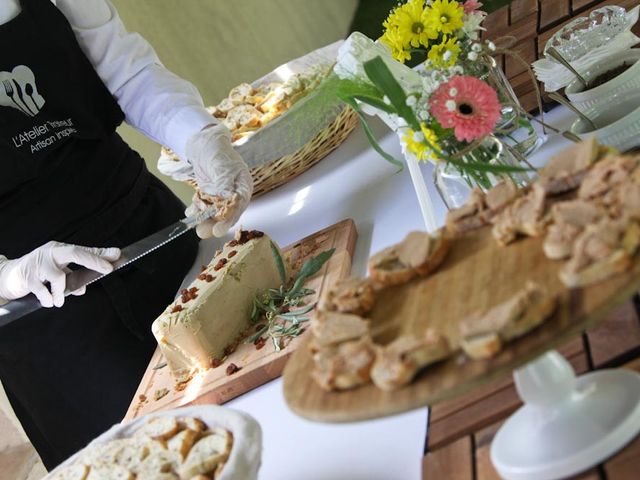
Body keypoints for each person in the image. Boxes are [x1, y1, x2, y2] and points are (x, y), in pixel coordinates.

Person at [0, 0, 252, 468]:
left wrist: (199, 136)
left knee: (259, 379)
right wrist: (10, 277)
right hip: (49, 317)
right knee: (161, 462)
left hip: (151, 231)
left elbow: (127, 72)